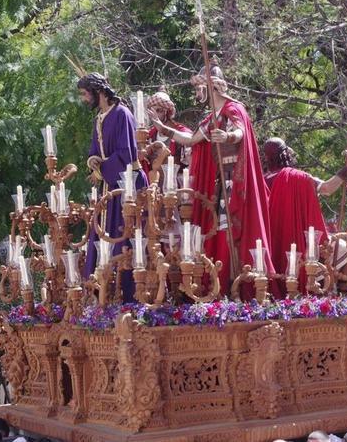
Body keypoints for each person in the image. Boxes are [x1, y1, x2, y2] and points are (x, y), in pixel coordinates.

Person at [150, 65, 272, 299]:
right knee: (219, 227)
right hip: (219, 180)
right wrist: (163, 128)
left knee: (233, 229)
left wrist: (227, 136)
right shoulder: (210, 118)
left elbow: (240, 132)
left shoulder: (232, 109)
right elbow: (191, 140)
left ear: (212, 86)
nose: (196, 93)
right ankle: (224, 282)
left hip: (234, 180)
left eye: (199, 87)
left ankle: (240, 284)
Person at [78, 72, 149, 302]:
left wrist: (102, 168)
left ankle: (128, 295)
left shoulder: (122, 114)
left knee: (124, 238)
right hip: (110, 186)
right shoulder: (99, 118)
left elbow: (127, 154)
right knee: (102, 235)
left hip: (127, 185)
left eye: (84, 94)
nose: (83, 99)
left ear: (98, 91)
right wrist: (93, 162)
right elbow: (95, 151)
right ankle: (102, 292)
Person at [262, 137, 347, 296]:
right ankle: (343, 296)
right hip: (303, 252)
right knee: (345, 249)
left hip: (271, 254)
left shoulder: (261, 181)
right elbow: (327, 188)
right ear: (285, 154)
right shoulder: (299, 177)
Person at [141, 88, 191, 174]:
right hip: (153, 182)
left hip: (175, 182)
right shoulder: (149, 134)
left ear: (167, 112)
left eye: (159, 110)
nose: (155, 114)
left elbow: (191, 142)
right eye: (152, 110)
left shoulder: (180, 131)